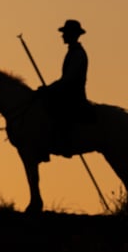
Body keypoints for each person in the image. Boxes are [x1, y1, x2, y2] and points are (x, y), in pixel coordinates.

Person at [37, 19, 90, 154]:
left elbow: (68, 79)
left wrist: (49, 89)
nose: (63, 35)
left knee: (53, 109)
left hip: (73, 95)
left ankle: (63, 142)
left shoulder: (78, 54)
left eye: (65, 33)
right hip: (68, 92)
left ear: (72, 34)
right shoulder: (72, 52)